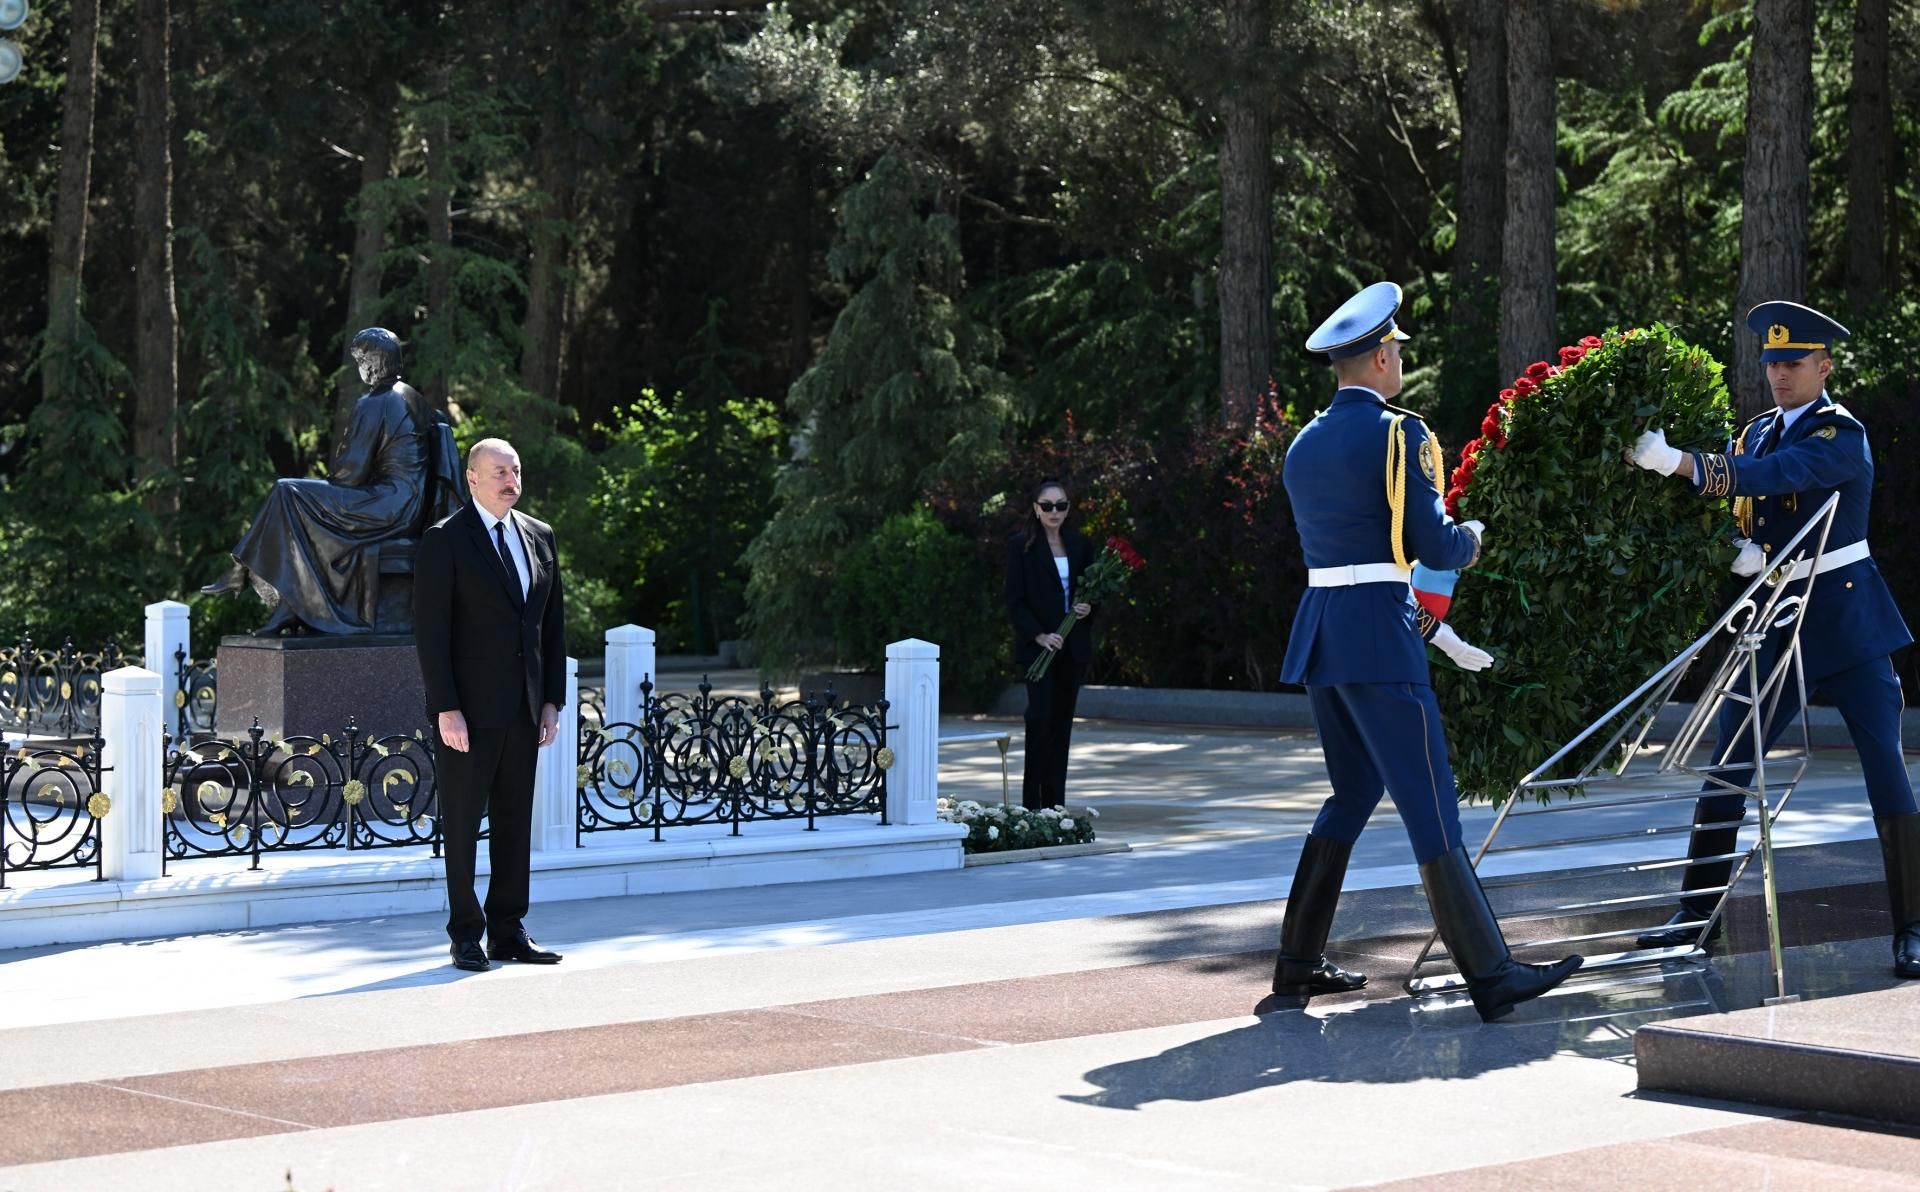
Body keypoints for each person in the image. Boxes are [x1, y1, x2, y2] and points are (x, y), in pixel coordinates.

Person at [1274, 281, 1583, 1022]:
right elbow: (1430, 544)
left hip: (1322, 629)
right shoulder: (1399, 434)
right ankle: (1493, 973)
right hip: (1380, 633)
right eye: (1398, 351)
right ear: (1381, 357)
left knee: (1350, 797)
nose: (1400, 363)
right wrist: (1470, 539)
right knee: (1431, 808)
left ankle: (1295, 963)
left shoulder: (1304, 441)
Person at [1627, 300, 1920, 978]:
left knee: (1884, 768)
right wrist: (1738, 546)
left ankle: (1911, 925)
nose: (1779, 377)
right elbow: (1745, 500)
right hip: (1779, 615)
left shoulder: (1839, 433)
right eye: (1772, 365)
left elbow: (1780, 476)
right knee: (1729, 759)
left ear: (1824, 366)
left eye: (1793, 364)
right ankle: (1694, 916)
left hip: (1845, 618)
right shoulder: (1757, 429)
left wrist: (1679, 463)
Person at [413, 437, 568, 972]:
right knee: (461, 824)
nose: (511, 480)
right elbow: (431, 634)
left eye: (516, 470)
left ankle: (508, 930)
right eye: (499, 471)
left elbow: (551, 627)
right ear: (473, 480)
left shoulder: (540, 536)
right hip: (468, 715)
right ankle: (465, 935)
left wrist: (551, 699)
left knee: (512, 822)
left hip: (525, 710)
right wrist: (445, 707)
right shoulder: (445, 540)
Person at [201, 327, 463, 635]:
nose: (360, 368)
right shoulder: (412, 397)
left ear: (374, 362)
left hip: (387, 504)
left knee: (289, 491)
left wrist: (334, 470)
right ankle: (287, 605)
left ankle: (243, 570)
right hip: (408, 504)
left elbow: (350, 475)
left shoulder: (375, 401)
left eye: (361, 361)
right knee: (298, 503)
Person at [1006, 478, 1097, 810]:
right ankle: (1033, 805)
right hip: (1039, 650)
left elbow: (1092, 594)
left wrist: (1088, 609)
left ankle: (1055, 806)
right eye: (1047, 505)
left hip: (1072, 650)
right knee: (1040, 719)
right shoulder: (1021, 546)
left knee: (1061, 726)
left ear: (1067, 508)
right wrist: (1039, 635)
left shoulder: (1081, 545)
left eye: (1060, 505)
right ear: (1036, 509)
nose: (1054, 511)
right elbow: (1014, 601)